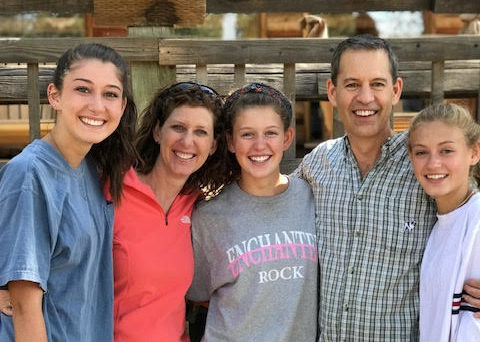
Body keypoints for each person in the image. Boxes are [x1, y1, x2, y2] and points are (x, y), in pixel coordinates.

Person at [295, 34, 480, 341]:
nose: (365, 98)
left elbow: (470, 219)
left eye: (377, 84)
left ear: (396, 91)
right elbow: (270, 203)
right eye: (352, 84)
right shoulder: (318, 164)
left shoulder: (425, 168)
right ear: (333, 91)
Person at [0, 43, 137, 342]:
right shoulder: (30, 175)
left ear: (122, 106)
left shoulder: (92, 169)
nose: (97, 106)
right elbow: (24, 304)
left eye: (110, 94)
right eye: (83, 90)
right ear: (55, 96)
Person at [187, 82, 318, 342]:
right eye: (247, 134)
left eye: (270, 133)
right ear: (230, 141)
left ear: (287, 138)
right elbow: (197, 293)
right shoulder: (209, 216)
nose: (260, 145)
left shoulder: (312, 198)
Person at [112, 82, 227, 342]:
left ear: (213, 146)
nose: (187, 141)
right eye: (178, 127)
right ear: (157, 131)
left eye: (200, 132)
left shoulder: (197, 206)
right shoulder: (113, 190)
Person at [408, 103, 480, 342]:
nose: (433, 164)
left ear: (474, 152)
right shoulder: (437, 227)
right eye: (421, 152)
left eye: (446, 151)